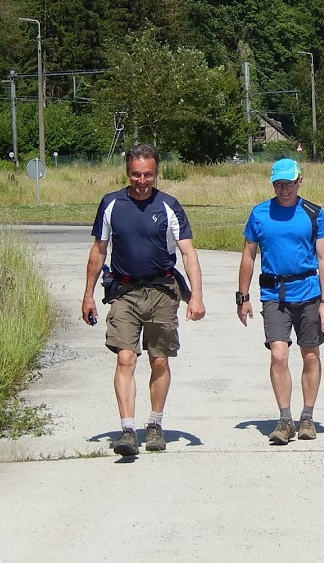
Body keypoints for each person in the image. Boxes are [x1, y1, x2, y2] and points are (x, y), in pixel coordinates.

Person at [81, 144, 206, 456]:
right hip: (125, 292)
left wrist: (196, 296)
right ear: (127, 172)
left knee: (159, 360)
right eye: (136, 175)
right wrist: (88, 295)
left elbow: (188, 252)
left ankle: (155, 425)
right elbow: (99, 251)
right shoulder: (111, 204)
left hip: (162, 291)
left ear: (156, 173)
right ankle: (127, 430)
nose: (141, 181)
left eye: (148, 175)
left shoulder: (168, 206)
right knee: (125, 358)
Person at [237, 158, 324, 445]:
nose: (284, 189)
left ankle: (307, 417)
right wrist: (243, 297)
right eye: (279, 184)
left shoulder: (313, 213)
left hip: (308, 294)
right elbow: (248, 255)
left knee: (310, 355)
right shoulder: (259, 213)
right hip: (273, 295)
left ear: (299, 181)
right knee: (278, 355)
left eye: (289, 183)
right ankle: (284, 419)